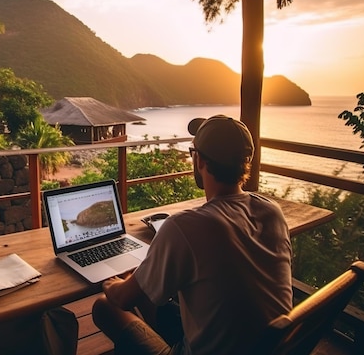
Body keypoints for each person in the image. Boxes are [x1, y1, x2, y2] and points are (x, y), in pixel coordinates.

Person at [92, 115, 292, 355]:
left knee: (104, 306)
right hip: (270, 346)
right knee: (148, 292)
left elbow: (123, 299)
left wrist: (112, 284)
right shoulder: (272, 211)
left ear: (200, 161)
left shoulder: (184, 226)